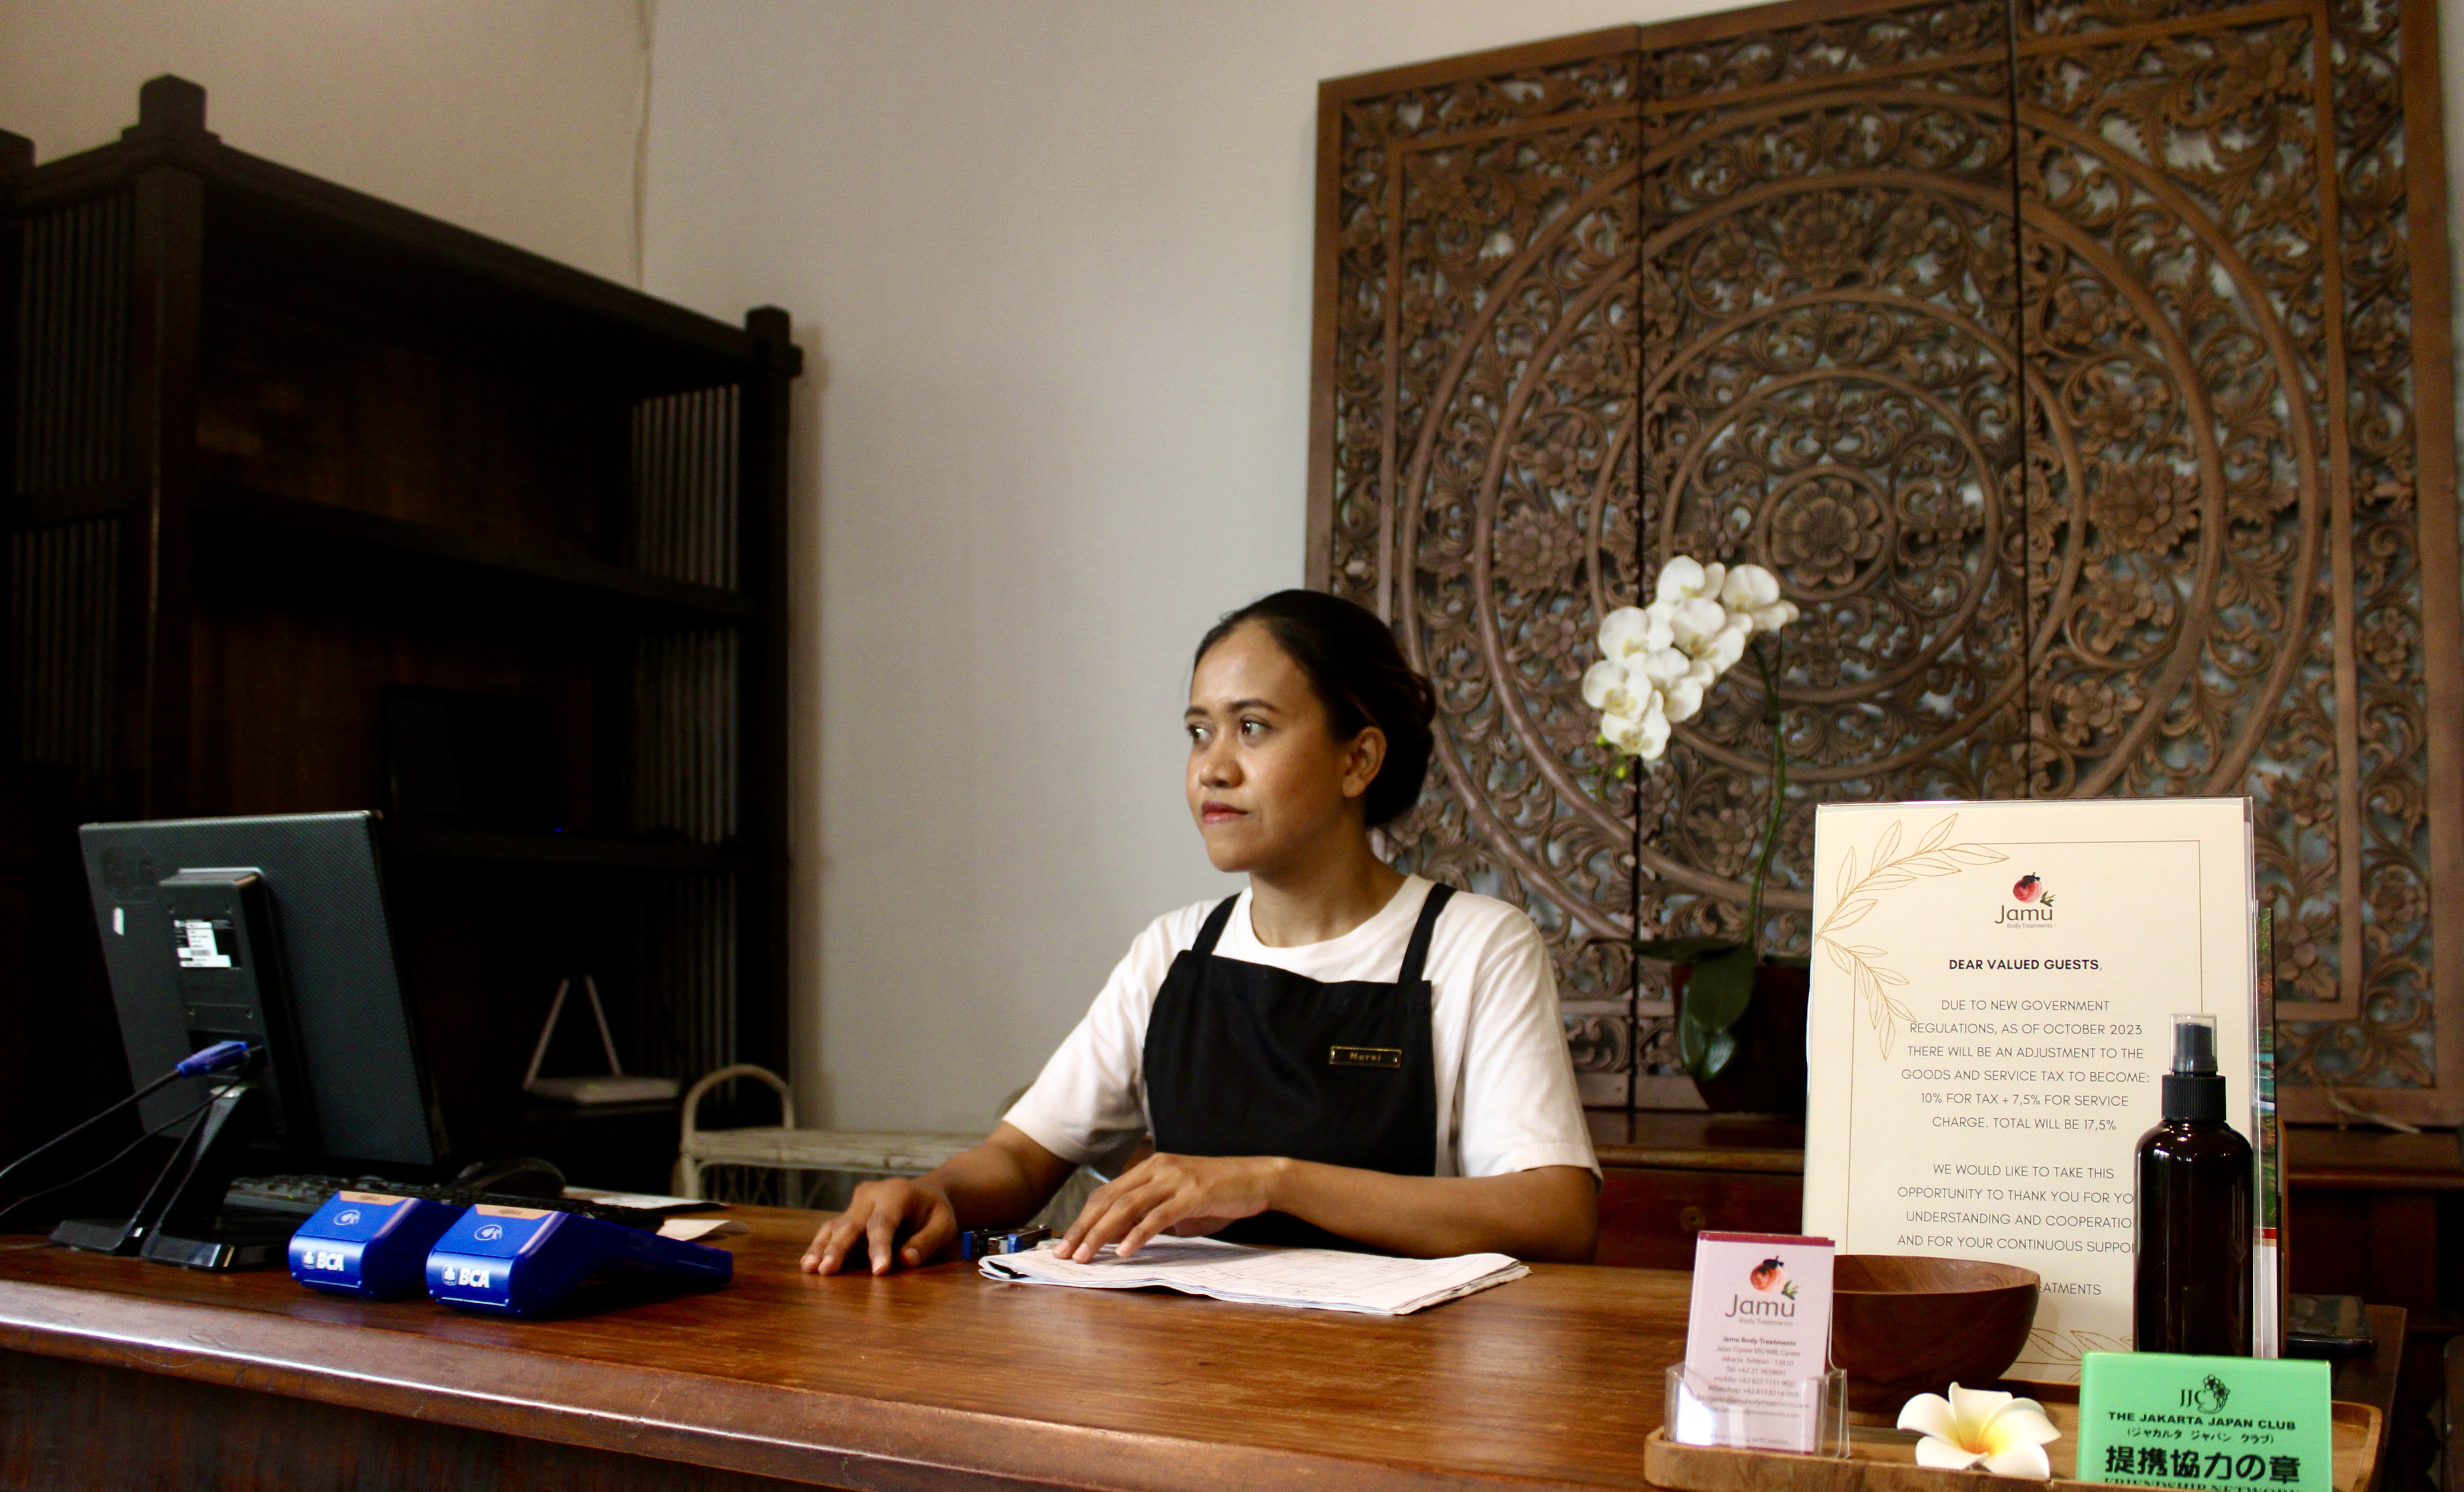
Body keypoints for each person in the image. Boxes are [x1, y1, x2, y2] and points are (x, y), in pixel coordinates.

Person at [800, 590, 1599, 1275]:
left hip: (1392, 1377)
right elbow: (1019, 1157)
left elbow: (1555, 1215)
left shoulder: (1475, 946)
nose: (1213, 767)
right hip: (1184, 1369)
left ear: (1358, 761)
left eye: (1252, 728)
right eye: (1198, 732)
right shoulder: (1175, 951)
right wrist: (933, 1193)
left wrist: (1271, 1182)